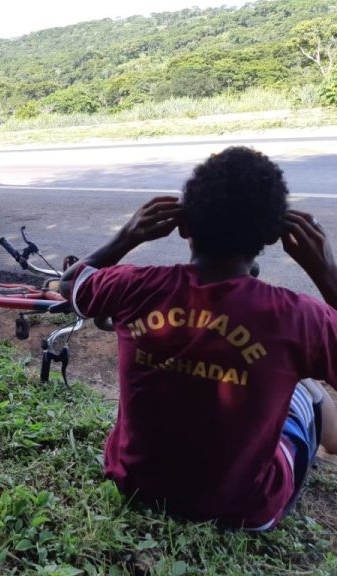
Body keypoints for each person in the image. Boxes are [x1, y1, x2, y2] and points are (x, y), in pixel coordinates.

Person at [59, 146, 337, 529]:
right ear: (275, 236)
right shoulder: (301, 318)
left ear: (184, 226)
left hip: (133, 484)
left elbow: (71, 282)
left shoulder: (135, 286)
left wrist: (126, 237)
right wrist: (327, 274)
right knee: (309, 390)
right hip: (245, 508)